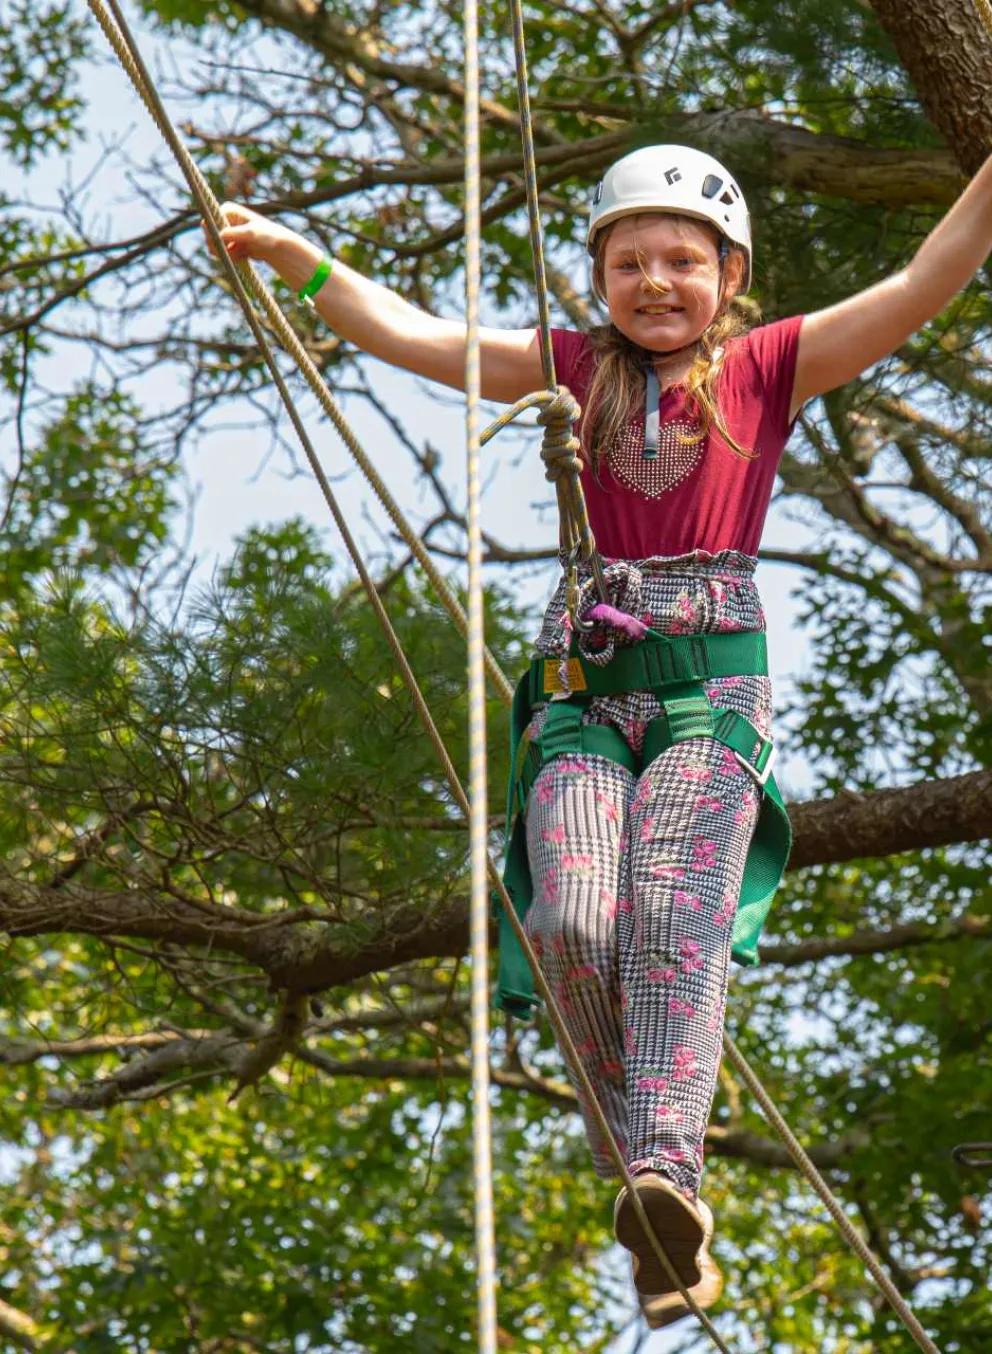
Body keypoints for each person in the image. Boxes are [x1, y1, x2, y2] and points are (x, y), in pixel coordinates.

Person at [210, 141, 992, 1328]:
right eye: (628, 260)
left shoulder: (767, 368)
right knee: (570, 918)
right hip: (583, 694)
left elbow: (921, 281)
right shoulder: (570, 367)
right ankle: (648, 1195)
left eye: (682, 259)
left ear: (729, 274)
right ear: (599, 276)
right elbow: (424, 337)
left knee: (674, 914)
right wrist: (297, 261)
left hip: (706, 699)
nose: (655, 281)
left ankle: (662, 1177)